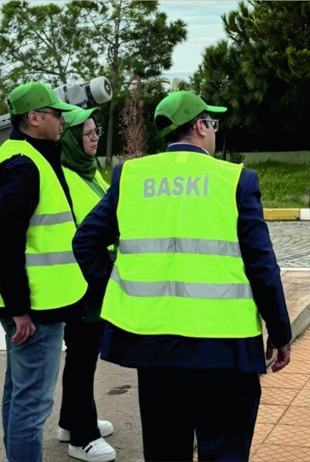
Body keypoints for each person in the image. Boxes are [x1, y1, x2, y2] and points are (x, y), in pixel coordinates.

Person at [72, 90, 292, 461]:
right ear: (201, 126)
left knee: (165, 449)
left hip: (153, 344)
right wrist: (280, 332)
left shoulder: (131, 176)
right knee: (224, 447)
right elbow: (261, 265)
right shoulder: (236, 180)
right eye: (213, 123)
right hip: (224, 343)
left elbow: (86, 242)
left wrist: (115, 286)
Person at [0, 82, 88, 462]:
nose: (63, 120)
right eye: (56, 114)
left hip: (30, 302)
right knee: (32, 405)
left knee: (17, 395)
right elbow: (4, 241)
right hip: (36, 309)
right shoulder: (24, 166)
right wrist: (19, 310)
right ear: (33, 118)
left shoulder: (8, 156)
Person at [57, 107, 116, 462]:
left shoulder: (90, 173)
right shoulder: (64, 179)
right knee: (81, 358)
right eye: (88, 133)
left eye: (96, 131)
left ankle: (70, 421)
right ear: (71, 140)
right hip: (80, 283)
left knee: (84, 357)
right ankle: (83, 436)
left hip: (93, 279)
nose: (94, 138)